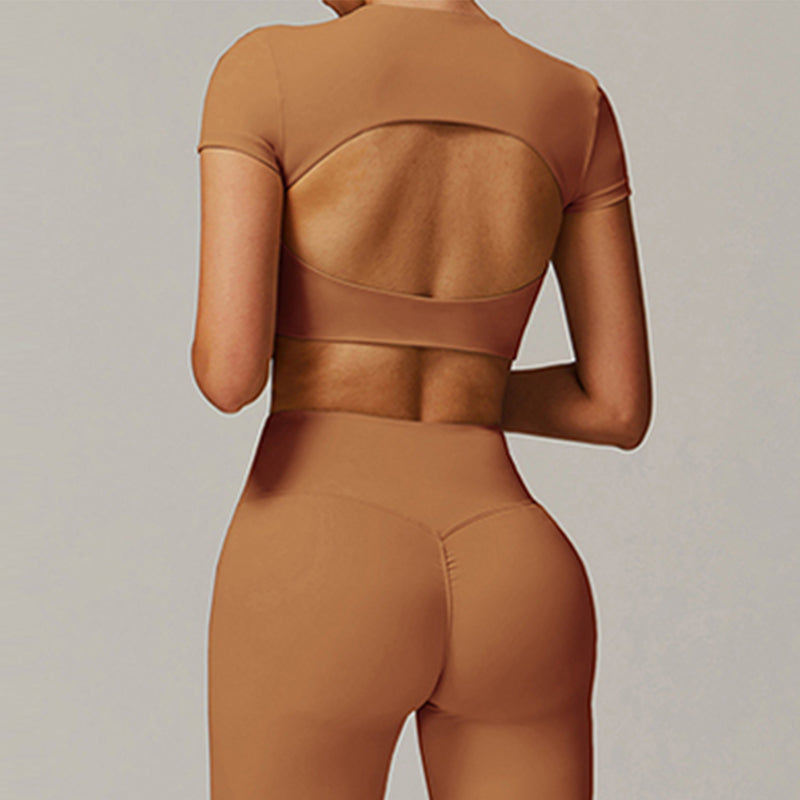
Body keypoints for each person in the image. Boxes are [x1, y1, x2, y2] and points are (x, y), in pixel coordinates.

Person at [191, 0, 652, 797]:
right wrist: (459, 387)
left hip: (317, 563)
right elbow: (616, 407)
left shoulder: (264, 72)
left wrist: (354, 370)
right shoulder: (574, 101)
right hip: (515, 573)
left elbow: (230, 375)